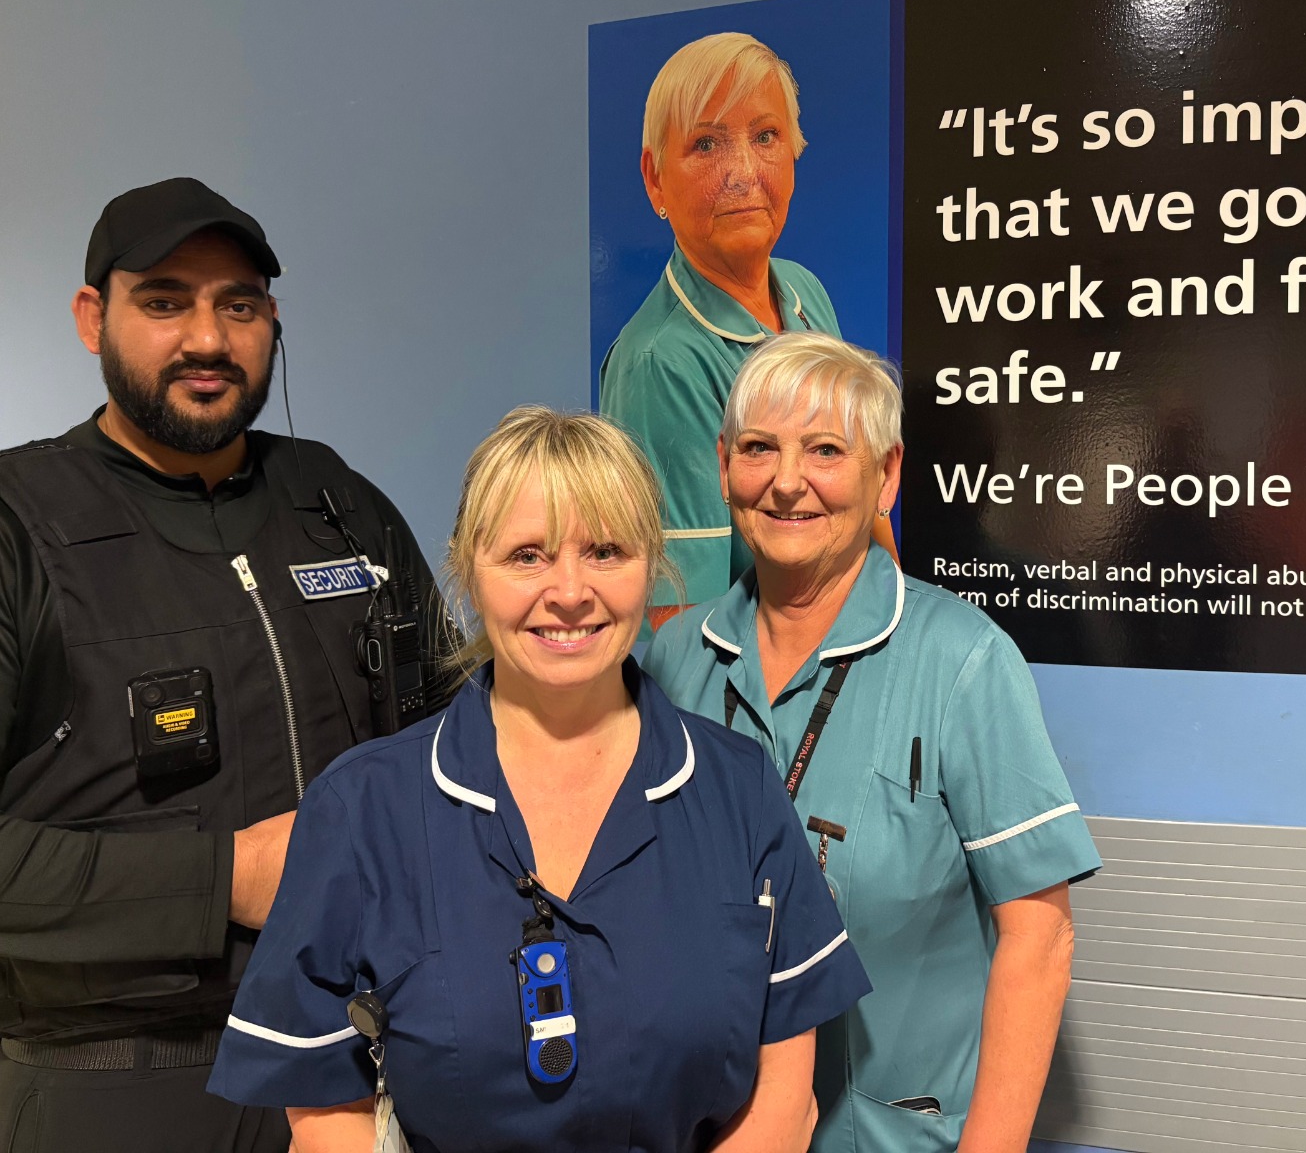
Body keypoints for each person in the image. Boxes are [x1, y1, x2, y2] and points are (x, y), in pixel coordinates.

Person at [208, 407, 871, 1153]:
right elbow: (326, 1114)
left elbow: (786, 1102)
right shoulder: (364, 808)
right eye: (527, 555)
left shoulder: (738, 790)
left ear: (651, 563)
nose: (568, 591)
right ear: (467, 568)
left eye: (606, 551)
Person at [0, 177, 452, 1153]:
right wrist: (225, 877)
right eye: (165, 301)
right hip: (111, 1092)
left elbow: (462, 747)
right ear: (93, 316)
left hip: (354, 1078)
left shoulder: (337, 501)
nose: (207, 338)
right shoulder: (17, 529)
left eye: (237, 304)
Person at [644, 333, 1102, 1153]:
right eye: (759, 449)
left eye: (826, 450)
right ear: (722, 466)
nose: (788, 482)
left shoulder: (962, 660)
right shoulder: (675, 661)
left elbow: (1041, 935)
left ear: (885, 475)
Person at [599, 32, 895, 624]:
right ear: (656, 180)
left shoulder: (804, 293)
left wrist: (900, 639)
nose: (742, 173)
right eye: (707, 144)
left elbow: (866, 511)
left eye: (765, 137)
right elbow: (679, 628)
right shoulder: (662, 363)